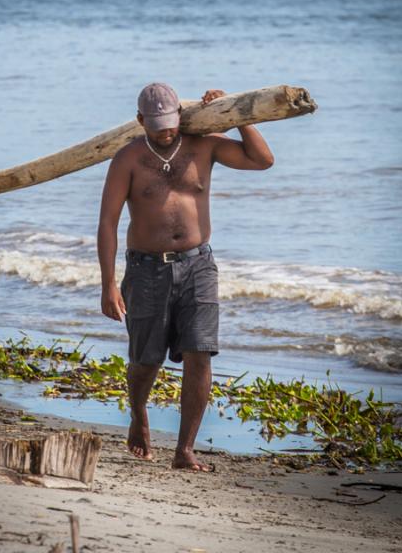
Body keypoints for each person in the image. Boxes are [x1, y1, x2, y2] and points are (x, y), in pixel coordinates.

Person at [97, 83, 274, 471]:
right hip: (146, 269)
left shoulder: (205, 144)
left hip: (199, 265)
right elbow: (107, 223)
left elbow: (262, 160)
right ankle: (139, 413)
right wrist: (109, 284)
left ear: (181, 114)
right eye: (157, 124)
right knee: (145, 360)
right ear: (141, 120)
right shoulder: (128, 158)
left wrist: (236, 116)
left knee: (200, 353)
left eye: (171, 122)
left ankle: (184, 450)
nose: (166, 131)